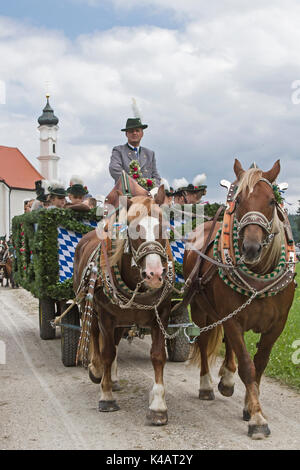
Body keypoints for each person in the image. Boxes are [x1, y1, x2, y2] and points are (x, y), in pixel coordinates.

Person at [109, 117, 161, 186]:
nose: (134, 133)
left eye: (137, 130)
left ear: (142, 134)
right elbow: (114, 169)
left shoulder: (150, 154)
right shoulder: (119, 151)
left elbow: (156, 176)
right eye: (131, 131)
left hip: (147, 193)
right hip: (126, 192)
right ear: (126, 134)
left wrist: (152, 188)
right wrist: (133, 184)